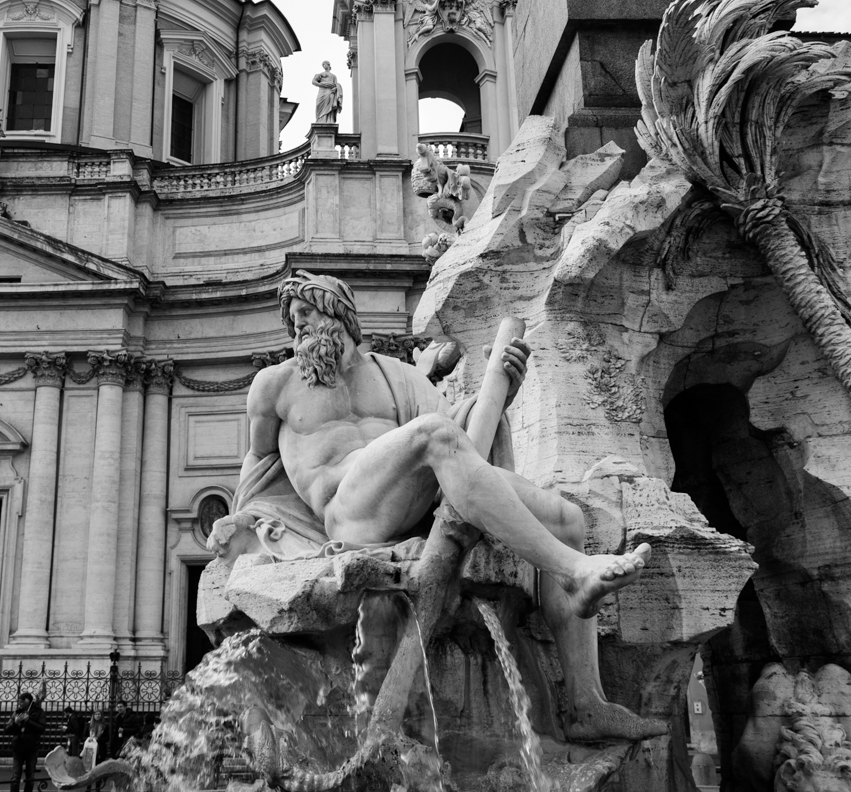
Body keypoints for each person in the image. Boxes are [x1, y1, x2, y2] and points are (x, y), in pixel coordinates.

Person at [220, 271, 661, 743]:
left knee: (566, 518)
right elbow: (260, 465)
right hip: (347, 510)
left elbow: (464, 440)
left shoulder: (396, 377)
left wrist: (501, 392)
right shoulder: (275, 384)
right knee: (435, 432)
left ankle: (585, 703)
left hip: (414, 498)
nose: (298, 329)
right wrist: (247, 524)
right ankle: (573, 572)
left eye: (306, 314)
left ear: (339, 313)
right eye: (293, 322)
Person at [7, 691, 45, 792]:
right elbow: (7, 729)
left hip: (31, 747)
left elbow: (41, 728)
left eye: (22, 701)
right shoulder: (17, 712)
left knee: (30, 775)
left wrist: (28, 721)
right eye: (19, 701)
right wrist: (15, 722)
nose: (20, 704)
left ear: (28, 701)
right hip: (18, 747)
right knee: (16, 774)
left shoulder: (38, 712)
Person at [311, 60, 343, 124]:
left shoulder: (333, 76)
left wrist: (336, 88)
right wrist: (322, 84)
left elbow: (336, 84)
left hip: (330, 92)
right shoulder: (320, 74)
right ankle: (319, 120)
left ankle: (329, 120)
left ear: (328, 64)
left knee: (329, 106)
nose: (323, 66)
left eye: (324, 64)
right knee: (319, 105)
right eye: (322, 65)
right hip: (322, 91)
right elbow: (313, 82)